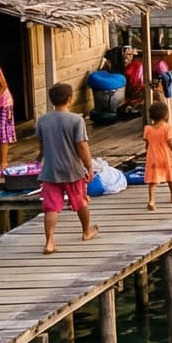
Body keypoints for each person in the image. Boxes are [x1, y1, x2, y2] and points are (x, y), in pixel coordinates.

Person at [36, 82, 97, 254]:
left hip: (50, 171)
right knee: (80, 202)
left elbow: (41, 144)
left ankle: (49, 242)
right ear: (70, 99)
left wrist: (39, 158)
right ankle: (86, 231)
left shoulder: (43, 120)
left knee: (51, 207)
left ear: (51, 100)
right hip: (72, 170)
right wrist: (89, 166)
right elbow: (82, 146)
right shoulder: (76, 120)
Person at [142, 99, 172, 210]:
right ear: (166, 115)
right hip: (165, 156)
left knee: (153, 180)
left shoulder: (147, 129)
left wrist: (147, 153)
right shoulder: (167, 127)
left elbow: (147, 144)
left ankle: (152, 200)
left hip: (152, 157)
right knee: (170, 175)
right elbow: (170, 142)